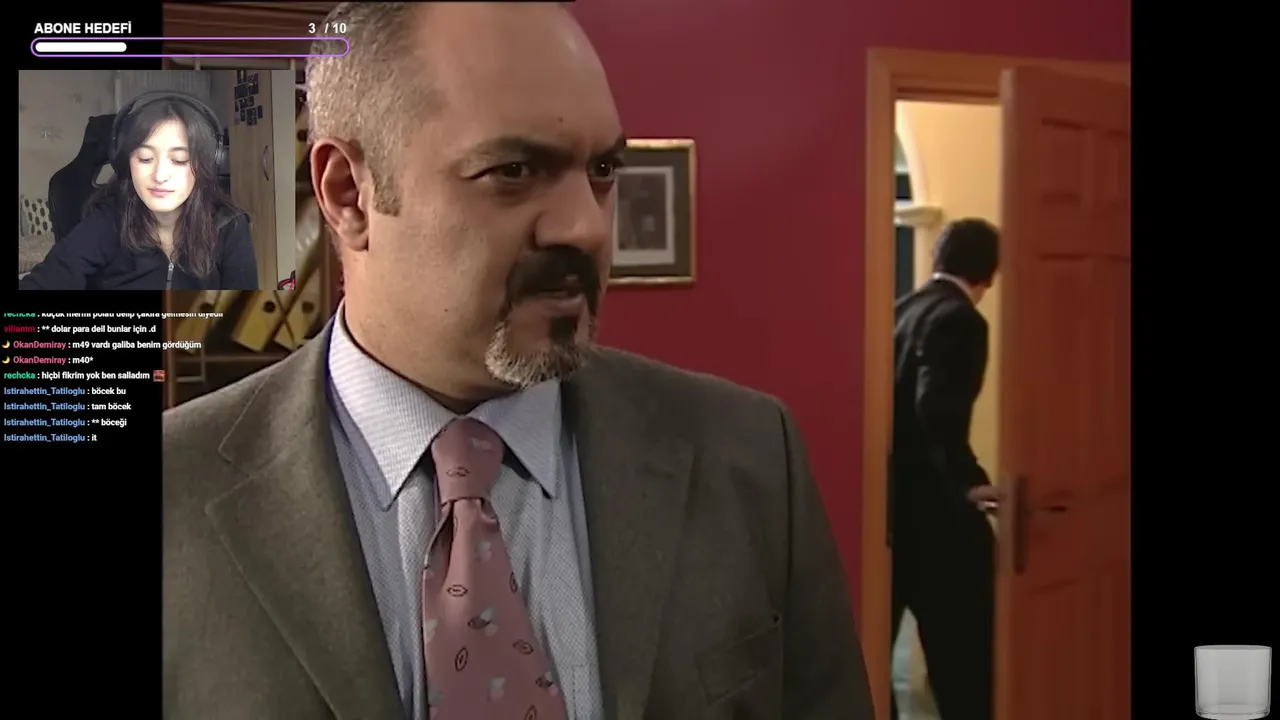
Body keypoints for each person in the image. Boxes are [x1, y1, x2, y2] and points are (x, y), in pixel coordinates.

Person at [162, 3, 872, 720]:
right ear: (349, 193)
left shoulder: (749, 460)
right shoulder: (175, 496)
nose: (587, 227)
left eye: (602, 170)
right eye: (513, 171)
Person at [889, 218, 1002, 720]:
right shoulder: (961, 320)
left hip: (894, 514)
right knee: (966, 668)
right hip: (939, 521)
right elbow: (934, 409)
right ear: (989, 274)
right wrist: (971, 483)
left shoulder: (900, 310)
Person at [19, 91, 258, 290]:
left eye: (179, 160)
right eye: (145, 158)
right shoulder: (109, 219)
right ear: (126, 163)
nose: (160, 175)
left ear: (205, 165)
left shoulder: (230, 226)